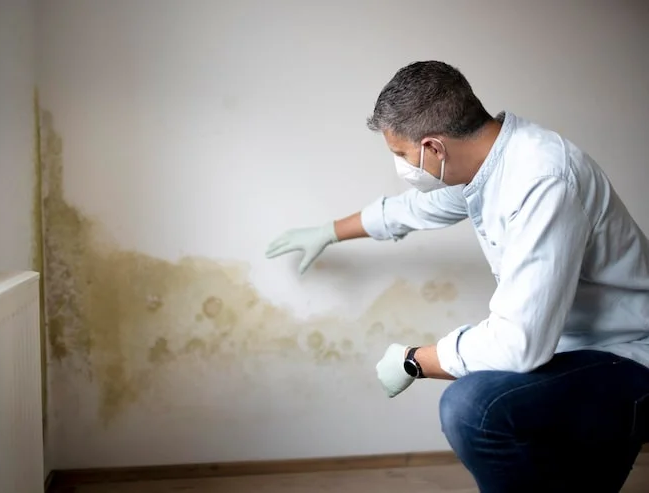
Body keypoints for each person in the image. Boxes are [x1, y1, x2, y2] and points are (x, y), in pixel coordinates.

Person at [264, 60, 649, 492]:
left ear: (433, 147)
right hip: (568, 351)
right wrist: (328, 233)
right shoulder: (488, 168)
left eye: (400, 154)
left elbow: (518, 345)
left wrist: (413, 360)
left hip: (627, 356)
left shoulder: (542, 180)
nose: (402, 166)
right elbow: (408, 211)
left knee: (472, 406)